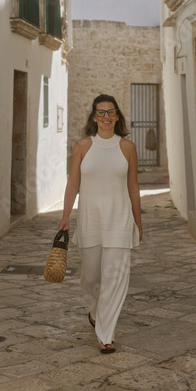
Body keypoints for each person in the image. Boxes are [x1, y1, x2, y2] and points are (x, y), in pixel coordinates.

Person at [58, 94, 142, 353]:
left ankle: (106, 333)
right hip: (90, 220)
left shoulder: (127, 147)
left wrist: (137, 222)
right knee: (91, 277)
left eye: (111, 112)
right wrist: (65, 217)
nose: (106, 117)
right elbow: (73, 183)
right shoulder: (83, 146)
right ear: (94, 117)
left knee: (115, 277)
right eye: (101, 112)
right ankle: (95, 311)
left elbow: (133, 187)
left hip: (119, 220)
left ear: (117, 116)